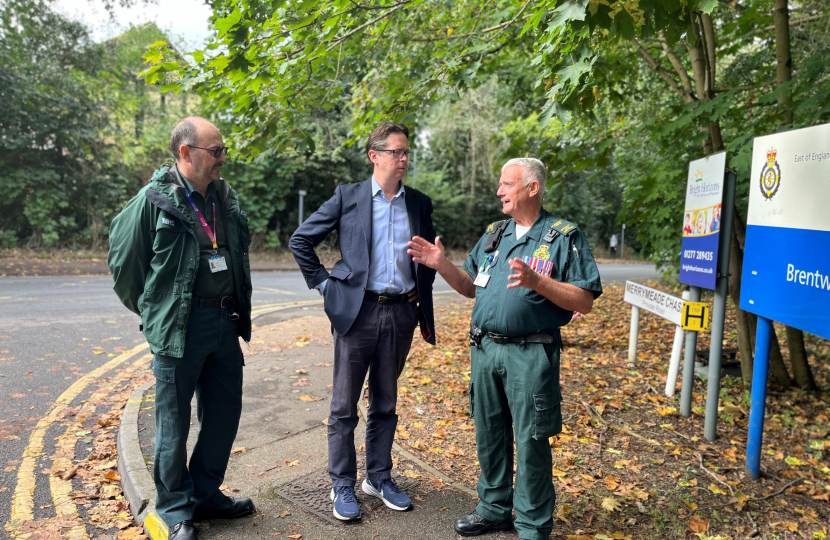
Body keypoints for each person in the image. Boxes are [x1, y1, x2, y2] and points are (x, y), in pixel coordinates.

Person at [408, 157, 602, 540]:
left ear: (533, 188)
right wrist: (441, 263)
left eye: (507, 184)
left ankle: (531, 524)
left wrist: (538, 281)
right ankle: (495, 509)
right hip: (485, 350)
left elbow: (583, 300)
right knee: (489, 433)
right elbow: (469, 286)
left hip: (530, 354)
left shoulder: (563, 236)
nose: (499, 191)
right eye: (500, 184)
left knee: (532, 439)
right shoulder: (495, 233)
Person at [108, 117, 255, 540]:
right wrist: (158, 312)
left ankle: (206, 494)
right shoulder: (151, 201)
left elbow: (237, 254)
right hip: (179, 328)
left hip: (224, 322)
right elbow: (125, 270)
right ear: (186, 152)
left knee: (224, 414)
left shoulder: (224, 198)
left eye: (224, 149)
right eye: (216, 151)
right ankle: (175, 508)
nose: (223, 158)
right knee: (172, 423)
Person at [289, 122, 437, 521]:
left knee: (386, 403)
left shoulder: (419, 203)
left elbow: (429, 258)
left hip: (401, 312)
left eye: (407, 152)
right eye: (397, 152)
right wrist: (325, 285)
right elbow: (300, 240)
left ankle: (379, 476)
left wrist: (419, 297)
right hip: (357, 313)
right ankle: (342, 483)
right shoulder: (349, 196)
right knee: (344, 406)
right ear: (375, 155)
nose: (404, 159)